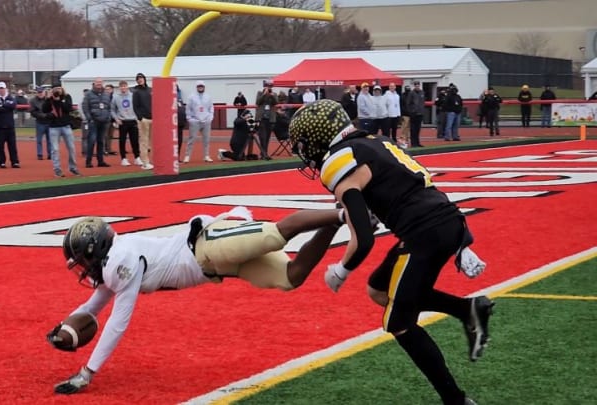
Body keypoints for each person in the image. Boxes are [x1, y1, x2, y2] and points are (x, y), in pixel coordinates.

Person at [288, 99, 493, 405]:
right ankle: (467, 310)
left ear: (319, 137)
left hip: (423, 233)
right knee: (379, 289)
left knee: (398, 322)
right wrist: (460, 238)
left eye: (304, 144)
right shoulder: (377, 141)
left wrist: (341, 269)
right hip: (443, 221)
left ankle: (456, 400)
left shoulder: (338, 160)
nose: (304, 152)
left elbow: (364, 238)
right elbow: (419, 190)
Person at [46, 206, 344, 394]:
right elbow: (94, 305)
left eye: (82, 261)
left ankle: (342, 212)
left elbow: (117, 323)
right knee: (292, 276)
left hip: (208, 244)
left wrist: (87, 373)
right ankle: (333, 224)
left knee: (277, 235)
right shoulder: (116, 261)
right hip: (218, 266)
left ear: (95, 248)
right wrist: (64, 328)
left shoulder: (119, 261)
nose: (84, 270)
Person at [42, 84, 81, 178]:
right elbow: (44, 110)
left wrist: (59, 101)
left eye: (59, 89)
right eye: (55, 89)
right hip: (54, 127)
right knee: (55, 149)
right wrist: (49, 99)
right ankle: (57, 170)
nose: (57, 91)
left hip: (66, 126)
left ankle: (73, 167)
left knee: (71, 148)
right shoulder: (49, 99)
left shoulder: (67, 97)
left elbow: (68, 109)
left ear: (62, 88)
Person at [184, 81, 214, 163]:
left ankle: (206, 156)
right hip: (195, 121)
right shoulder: (191, 97)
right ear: (196, 87)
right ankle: (187, 156)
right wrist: (190, 118)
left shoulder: (208, 97)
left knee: (206, 139)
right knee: (191, 139)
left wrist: (210, 117)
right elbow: (188, 108)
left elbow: (211, 108)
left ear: (204, 87)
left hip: (206, 120)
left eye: (202, 86)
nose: (200, 87)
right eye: (199, 86)